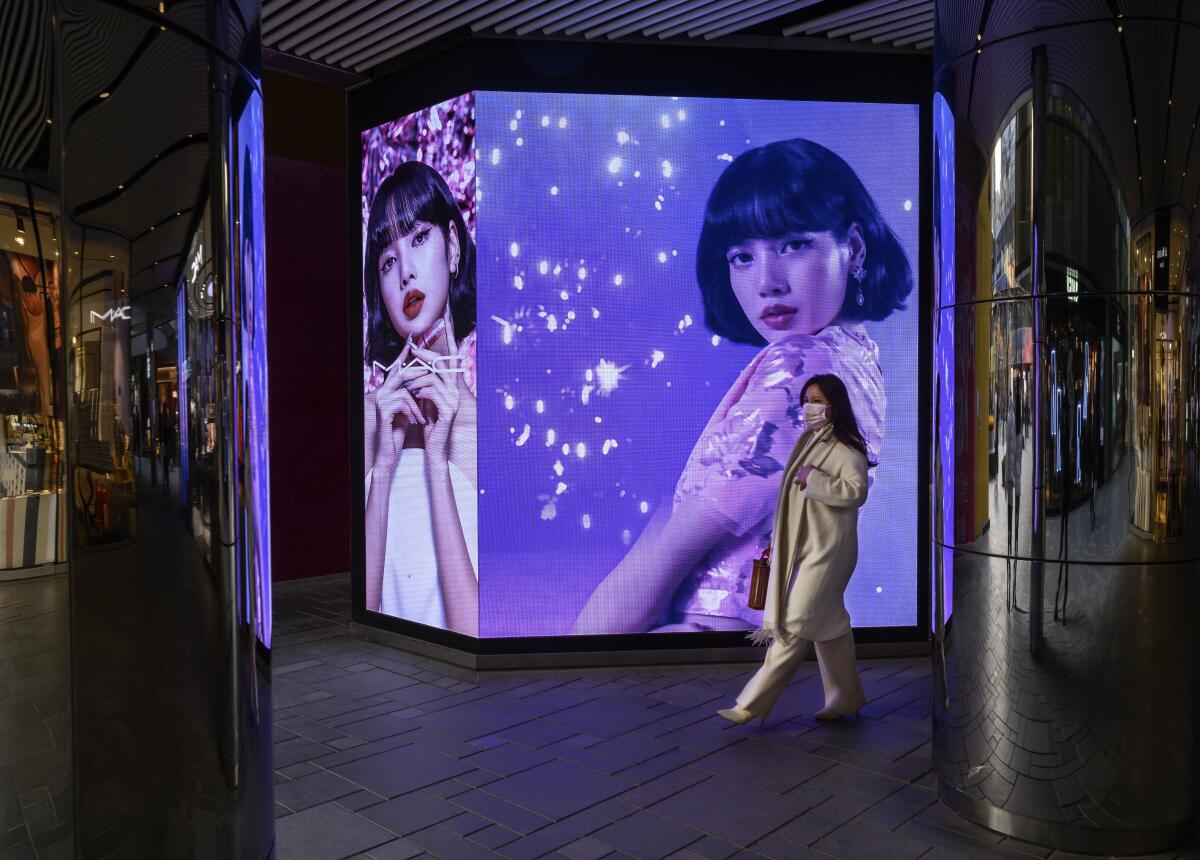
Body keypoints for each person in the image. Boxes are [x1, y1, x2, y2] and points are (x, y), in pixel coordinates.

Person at [571, 138, 911, 635]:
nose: (767, 282)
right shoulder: (857, 361)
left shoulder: (803, 365)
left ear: (854, 247)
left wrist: (578, 655)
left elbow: (675, 548)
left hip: (709, 639)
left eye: (793, 244)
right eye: (741, 257)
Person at [363, 161, 479, 636]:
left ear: (452, 247)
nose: (406, 271)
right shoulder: (368, 420)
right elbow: (360, 618)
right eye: (388, 261)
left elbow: (473, 633)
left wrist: (435, 461)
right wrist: (385, 470)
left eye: (418, 238)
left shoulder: (486, 429)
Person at [717, 373, 871, 724]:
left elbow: (856, 492)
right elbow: (792, 501)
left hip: (829, 553)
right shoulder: (811, 441)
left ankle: (751, 704)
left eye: (817, 400)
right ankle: (845, 697)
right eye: (806, 400)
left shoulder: (847, 449)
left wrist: (814, 479)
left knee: (793, 624)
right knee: (831, 629)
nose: (809, 407)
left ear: (834, 405)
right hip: (810, 549)